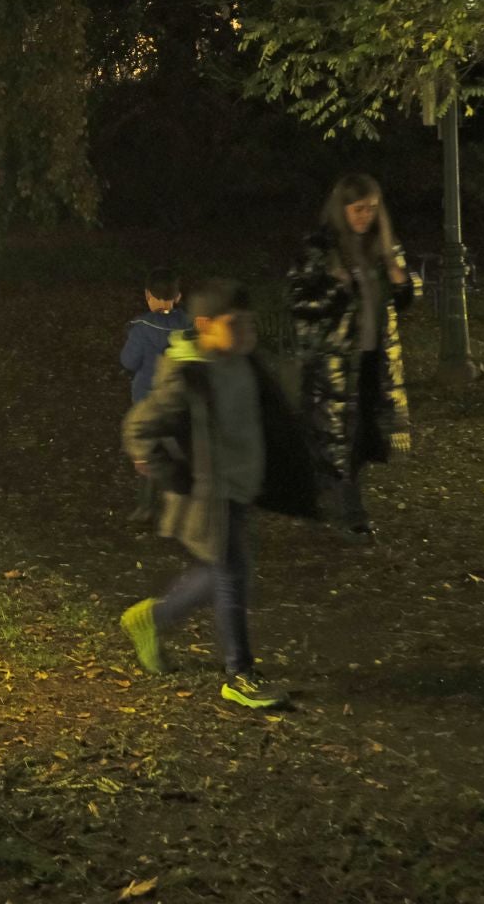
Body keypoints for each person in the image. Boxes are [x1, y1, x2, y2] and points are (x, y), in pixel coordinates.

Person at [119, 279, 320, 710]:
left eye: (250, 323)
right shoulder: (189, 372)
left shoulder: (248, 363)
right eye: (236, 323)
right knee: (230, 575)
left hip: (243, 486)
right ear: (207, 325)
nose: (247, 331)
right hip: (210, 495)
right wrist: (168, 473)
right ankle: (239, 673)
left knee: (223, 571)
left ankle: (153, 618)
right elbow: (140, 427)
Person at [287, 174, 417, 540]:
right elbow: (299, 302)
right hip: (335, 364)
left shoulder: (384, 247)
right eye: (358, 209)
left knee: (361, 438)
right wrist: (335, 288)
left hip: (374, 359)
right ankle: (352, 513)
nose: (365, 216)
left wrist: (401, 281)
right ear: (341, 208)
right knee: (342, 437)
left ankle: (333, 497)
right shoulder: (319, 248)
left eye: (372, 209)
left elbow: (403, 302)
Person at [119, 267, 193, 520]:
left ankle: (146, 508)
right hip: (178, 399)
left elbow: (128, 361)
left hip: (147, 399)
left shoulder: (140, 328)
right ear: (178, 296)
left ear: (148, 295)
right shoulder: (188, 324)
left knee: (148, 452)